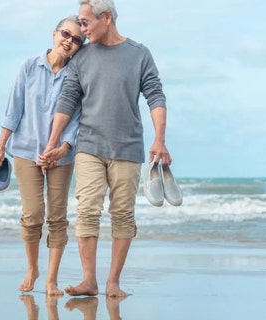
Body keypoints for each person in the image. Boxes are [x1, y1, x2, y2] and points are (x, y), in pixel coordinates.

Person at [39, 0, 171, 298]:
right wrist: (53, 142)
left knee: (123, 214)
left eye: (85, 23)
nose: (81, 30)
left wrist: (159, 139)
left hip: (128, 148)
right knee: (87, 211)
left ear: (106, 18)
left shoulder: (139, 54)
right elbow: (68, 99)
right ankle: (89, 281)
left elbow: (155, 96)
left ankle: (112, 282)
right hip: (89, 146)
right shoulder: (82, 57)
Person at [0, 16, 85, 295]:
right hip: (26, 152)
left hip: (61, 156)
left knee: (57, 217)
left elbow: (76, 118)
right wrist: (0, 146)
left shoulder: (77, 75)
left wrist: (63, 147)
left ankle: (51, 279)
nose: (70, 41)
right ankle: (32, 268)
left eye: (77, 39)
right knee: (32, 215)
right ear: (54, 34)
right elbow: (13, 110)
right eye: (66, 34)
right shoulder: (28, 67)